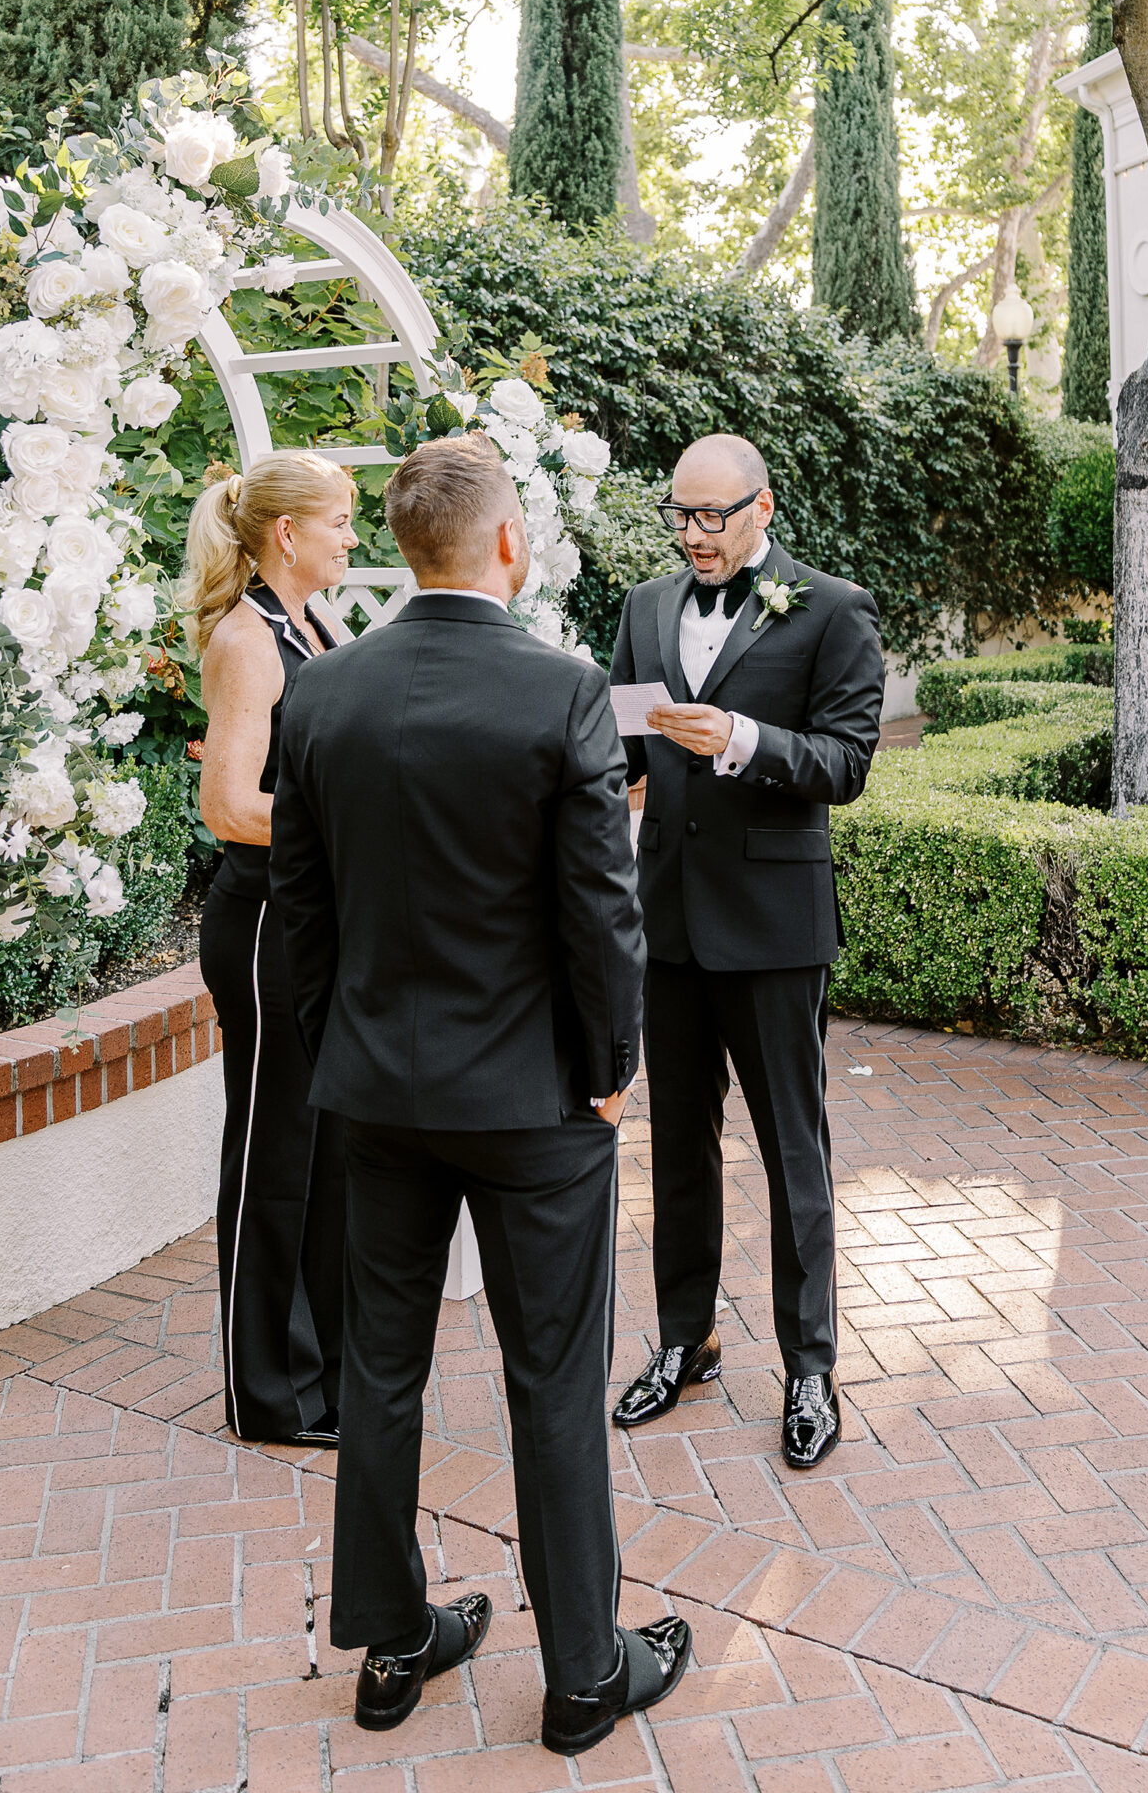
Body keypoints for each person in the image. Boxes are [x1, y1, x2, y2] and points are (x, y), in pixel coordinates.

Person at [270, 433, 692, 1755]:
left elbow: (301, 915)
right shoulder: (558, 691)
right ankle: (581, 1674)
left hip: (376, 1099)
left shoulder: (322, 695)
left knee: (378, 1373)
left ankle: (392, 1646)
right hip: (532, 1108)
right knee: (552, 1380)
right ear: (507, 542)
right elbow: (599, 914)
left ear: (402, 545)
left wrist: (339, 1056)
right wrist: (613, 1072)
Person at [607, 432, 884, 1470]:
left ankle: (810, 1365)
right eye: (679, 514)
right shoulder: (643, 608)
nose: (693, 535)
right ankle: (687, 1340)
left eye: (712, 516)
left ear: (762, 509)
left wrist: (737, 739)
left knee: (791, 1152)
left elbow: (847, 761)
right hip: (666, 923)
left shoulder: (828, 607)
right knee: (675, 1147)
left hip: (772, 933)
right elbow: (626, 735)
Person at [183, 450, 357, 1450]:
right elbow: (230, 805)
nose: (350, 536)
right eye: (336, 520)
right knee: (271, 1155)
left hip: (321, 922)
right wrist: (348, 823)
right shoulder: (245, 641)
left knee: (330, 1151)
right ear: (285, 532)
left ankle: (327, 1370)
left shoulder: (325, 623)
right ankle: (270, 1396)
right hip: (262, 929)